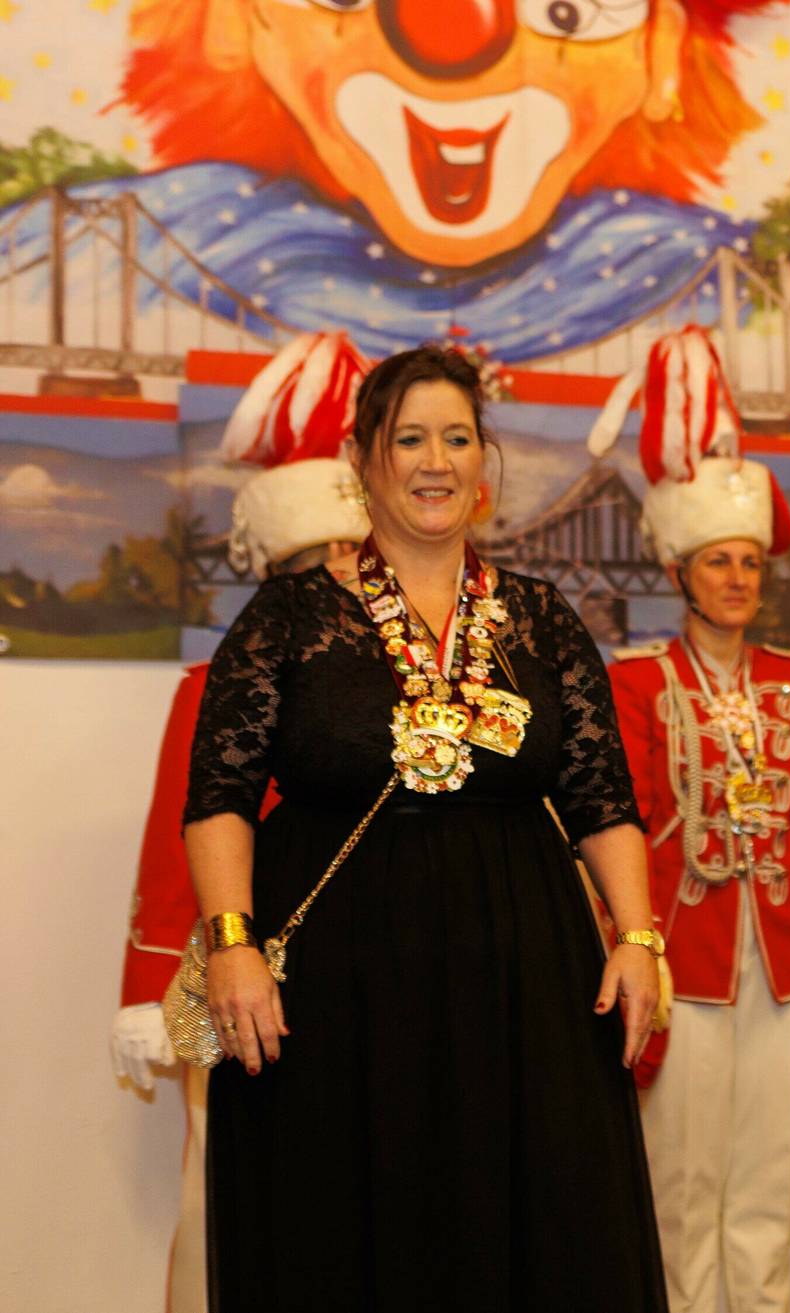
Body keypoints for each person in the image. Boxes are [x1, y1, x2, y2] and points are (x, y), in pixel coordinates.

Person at [183, 343, 668, 1311]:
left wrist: (639, 936)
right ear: (362, 459)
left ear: (484, 460)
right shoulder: (290, 614)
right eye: (409, 439)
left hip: (524, 977)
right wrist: (232, 943)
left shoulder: (542, 617)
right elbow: (219, 793)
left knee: (532, 1224)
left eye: (456, 437)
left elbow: (602, 796)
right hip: (336, 986)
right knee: (340, 1231)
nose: (435, 461)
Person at [592, 327, 790, 1313]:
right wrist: (633, 938)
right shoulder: (637, 682)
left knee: (765, 1181)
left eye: (751, 561)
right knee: (681, 1178)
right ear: (681, 570)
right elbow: (619, 822)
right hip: (683, 950)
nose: (739, 577)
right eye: (719, 561)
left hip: (782, 954)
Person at [109, 331, 372, 1313]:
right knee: (220, 1190)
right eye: (322, 560)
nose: (344, 575)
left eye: (354, 557)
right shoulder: (217, 681)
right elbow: (176, 837)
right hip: (234, 971)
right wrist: (146, 987)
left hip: (358, 969)